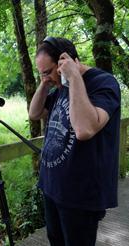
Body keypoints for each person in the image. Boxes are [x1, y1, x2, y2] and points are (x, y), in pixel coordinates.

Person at [29, 37, 121, 245]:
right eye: (40, 73)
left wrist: (74, 78)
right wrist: (45, 81)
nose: (46, 77)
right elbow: (35, 113)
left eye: (47, 71)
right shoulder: (58, 87)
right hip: (52, 186)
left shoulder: (103, 83)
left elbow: (84, 130)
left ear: (66, 61)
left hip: (80, 195)